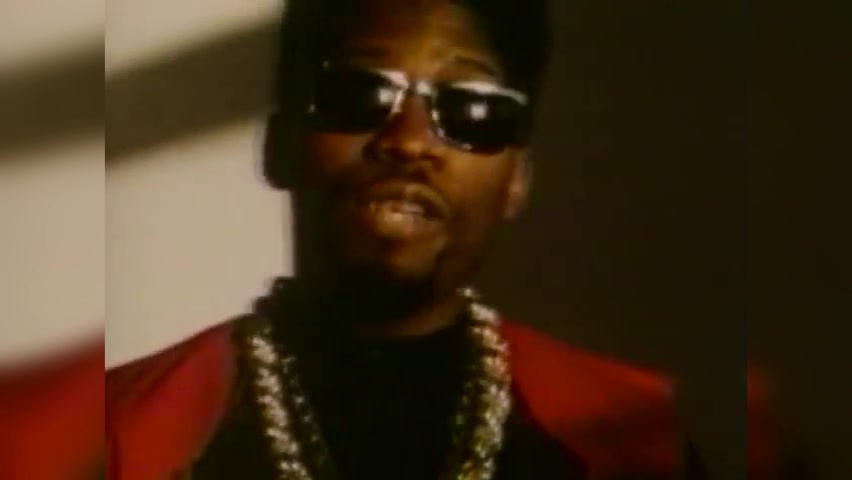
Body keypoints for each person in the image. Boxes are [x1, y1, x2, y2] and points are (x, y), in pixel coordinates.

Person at [106, 0, 694, 478]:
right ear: (280, 146)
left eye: (472, 109)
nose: (410, 142)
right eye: (360, 93)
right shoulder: (117, 430)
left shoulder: (639, 438)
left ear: (516, 178)